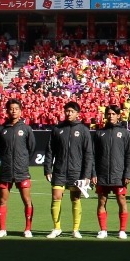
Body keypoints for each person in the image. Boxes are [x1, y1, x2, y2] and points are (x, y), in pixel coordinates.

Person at [44, 101, 94, 239]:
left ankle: (75, 229)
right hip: (59, 170)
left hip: (76, 171)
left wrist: (86, 175)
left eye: (72, 111)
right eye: (67, 111)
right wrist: (48, 168)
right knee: (56, 197)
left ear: (78, 113)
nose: (69, 113)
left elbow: (88, 154)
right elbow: (50, 151)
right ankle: (56, 228)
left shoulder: (83, 130)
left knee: (75, 198)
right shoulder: (57, 129)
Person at [91, 105, 130, 239]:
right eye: (108, 114)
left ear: (118, 115)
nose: (111, 116)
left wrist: (128, 173)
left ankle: (122, 230)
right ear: (106, 116)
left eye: (113, 114)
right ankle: (103, 230)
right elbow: (92, 155)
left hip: (119, 174)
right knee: (102, 201)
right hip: (102, 174)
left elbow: (129, 154)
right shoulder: (99, 133)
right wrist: (93, 173)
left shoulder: (125, 133)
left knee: (122, 201)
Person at [0, 98, 35, 238]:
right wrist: (6, 160)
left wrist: (22, 161)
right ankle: (2, 229)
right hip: (6, 171)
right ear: (7, 111)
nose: (13, 111)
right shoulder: (1, 129)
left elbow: (31, 148)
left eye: (16, 109)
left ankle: (28, 229)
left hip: (22, 171)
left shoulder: (26, 129)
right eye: (11, 109)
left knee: (27, 200)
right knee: (2, 200)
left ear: (20, 111)